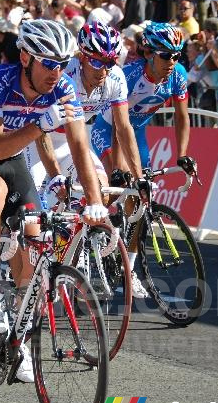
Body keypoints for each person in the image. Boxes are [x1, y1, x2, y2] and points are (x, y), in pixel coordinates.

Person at [0, 19, 107, 382]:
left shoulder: (63, 89)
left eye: (63, 65)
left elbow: (80, 146)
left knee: (35, 240)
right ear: (25, 58)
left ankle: (18, 343)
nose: (56, 72)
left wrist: (95, 203)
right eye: (48, 63)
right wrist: (38, 126)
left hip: (13, 159)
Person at [24, 21, 148, 298]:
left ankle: (66, 256)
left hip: (75, 141)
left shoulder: (115, 78)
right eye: (97, 61)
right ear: (81, 57)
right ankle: (16, 269)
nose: (104, 68)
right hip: (38, 140)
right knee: (30, 211)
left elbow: (124, 128)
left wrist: (138, 177)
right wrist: (55, 174)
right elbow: (39, 131)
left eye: (110, 61)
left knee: (99, 191)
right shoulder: (63, 75)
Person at [90, 22, 196, 193]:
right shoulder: (129, 76)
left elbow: (182, 117)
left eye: (176, 56)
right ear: (148, 53)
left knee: (144, 190)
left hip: (137, 133)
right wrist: (117, 166)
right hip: (108, 130)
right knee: (122, 185)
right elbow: (120, 123)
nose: (171, 62)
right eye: (165, 55)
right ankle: (94, 213)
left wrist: (181, 155)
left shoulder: (178, 74)